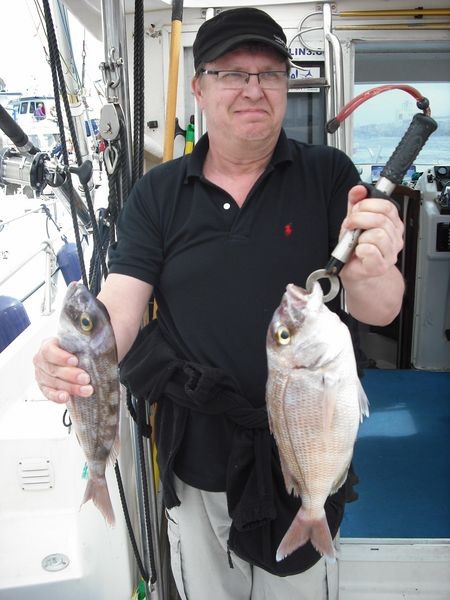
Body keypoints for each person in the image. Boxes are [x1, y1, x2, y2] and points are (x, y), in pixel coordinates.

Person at [33, 7, 404, 600]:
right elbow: (121, 306)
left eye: (269, 73)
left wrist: (376, 266)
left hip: (305, 447)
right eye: (232, 73)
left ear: (285, 86)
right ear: (200, 88)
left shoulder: (329, 175)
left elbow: (380, 309)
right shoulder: (158, 192)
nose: (253, 89)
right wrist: (77, 355)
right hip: (198, 455)